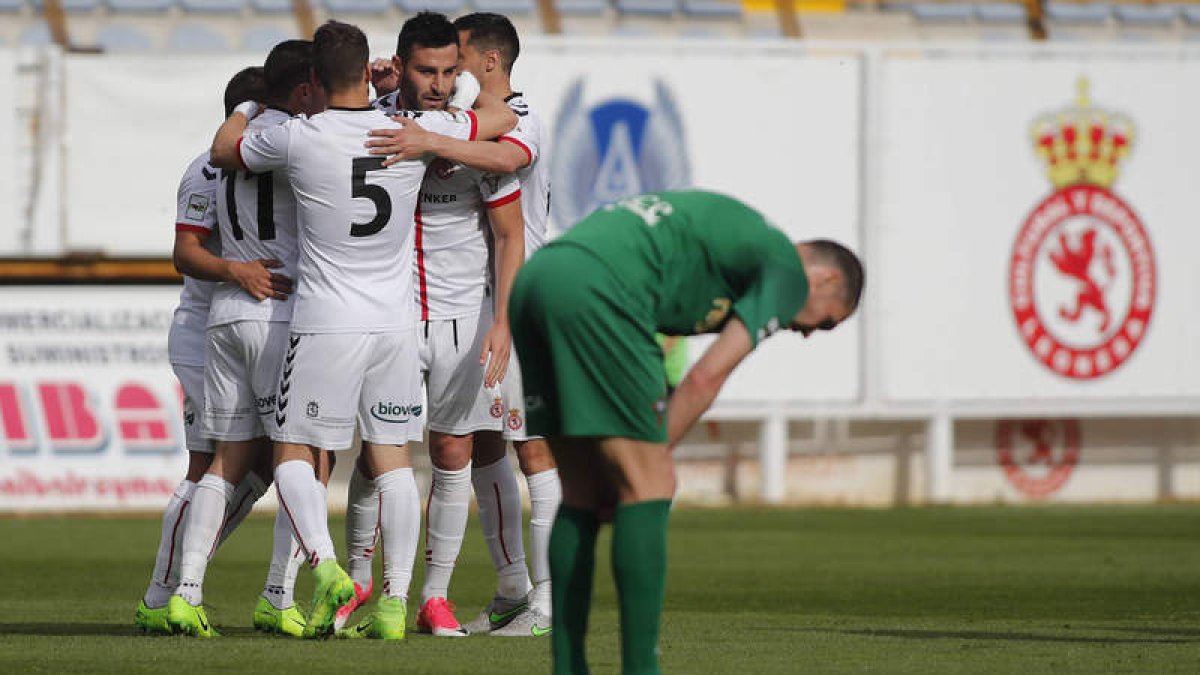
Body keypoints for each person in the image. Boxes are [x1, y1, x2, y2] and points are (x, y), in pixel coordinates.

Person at [209, 19, 517, 641]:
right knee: (394, 460)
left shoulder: (300, 136)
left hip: (326, 320)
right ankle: (397, 602)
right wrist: (435, 135)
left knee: (294, 450)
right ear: (387, 70)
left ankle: (325, 570)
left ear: (316, 79)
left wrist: (248, 102)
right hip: (396, 320)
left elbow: (225, 150)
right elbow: (501, 120)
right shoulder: (417, 133)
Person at [508, 190, 865, 674]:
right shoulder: (785, 269)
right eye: (824, 324)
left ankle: (568, 667)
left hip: (538, 280)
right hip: (601, 290)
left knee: (580, 493)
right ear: (826, 278)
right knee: (653, 483)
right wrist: (650, 457)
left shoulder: (744, 240)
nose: (806, 333)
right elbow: (704, 377)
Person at [366, 11, 560, 637]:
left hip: (513, 299)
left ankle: (547, 605)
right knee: (480, 445)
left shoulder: (515, 115)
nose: (449, 80)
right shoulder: (445, 115)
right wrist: (382, 97)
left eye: (459, 64)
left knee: (532, 448)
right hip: (438, 305)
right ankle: (509, 588)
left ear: (487, 61)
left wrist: (427, 139)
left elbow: (495, 157)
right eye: (435, 68)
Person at [164, 40, 330, 639]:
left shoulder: (218, 157)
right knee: (304, 455)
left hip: (226, 318)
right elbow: (185, 253)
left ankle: (183, 591)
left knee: (233, 463)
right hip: (265, 313)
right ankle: (278, 592)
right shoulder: (295, 148)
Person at [134, 65, 288, 636]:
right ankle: (160, 594)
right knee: (211, 467)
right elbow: (185, 252)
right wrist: (235, 270)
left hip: (239, 327)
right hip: (206, 332)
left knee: (269, 466)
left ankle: (182, 581)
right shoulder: (205, 170)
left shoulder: (268, 161)